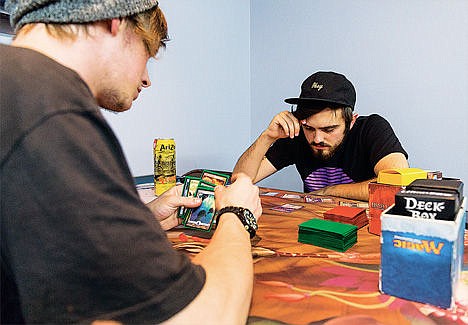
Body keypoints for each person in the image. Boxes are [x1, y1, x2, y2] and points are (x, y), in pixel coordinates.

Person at [0, 1, 262, 324]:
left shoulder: (15, 86)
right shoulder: (51, 111)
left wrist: (140, 218)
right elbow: (208, 316)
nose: (147, 79)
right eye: (147, 51)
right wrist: (237, 215)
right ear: (115, 19)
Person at [233, 71, 409, 201]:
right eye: (309, 128)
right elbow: (240, 180)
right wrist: (268, 137)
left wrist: (329, 191)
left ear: (351, 122)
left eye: (329, 129)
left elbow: (395, 186)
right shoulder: (296, 133)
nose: (316, 139)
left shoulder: (372, 128)